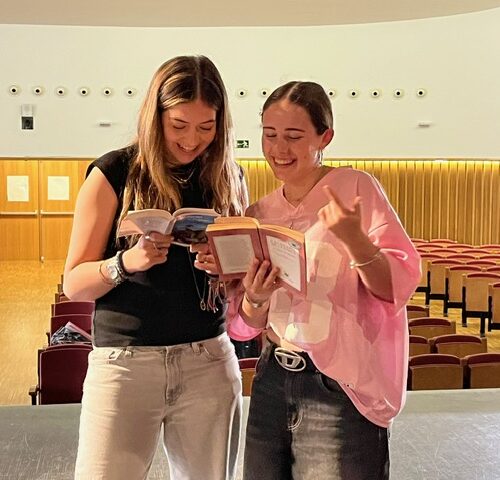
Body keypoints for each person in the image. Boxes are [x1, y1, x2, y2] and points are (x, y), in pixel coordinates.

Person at [63, 55, 248, 480]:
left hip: (208, 359)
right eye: (178, 125)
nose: (192, 140)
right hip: (125, 363)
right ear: (155, 115)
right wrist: (127, 262)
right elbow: (75, 282)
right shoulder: (113, 172)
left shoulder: (229, 177)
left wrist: (225, 270)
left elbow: (238, 286)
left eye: (206, 127)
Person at [225, 81, 421, 479]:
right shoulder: (259, 213)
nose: (279, 148)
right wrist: (256, 297)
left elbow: (396, 287)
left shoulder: (355, 189)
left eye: (294, 136)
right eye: (270, 135)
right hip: (271, 380)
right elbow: (244, 326)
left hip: (338, 386)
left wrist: (354, 239)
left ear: (324, 137)